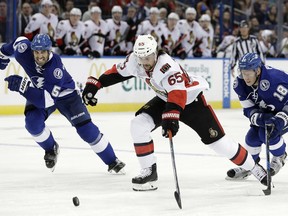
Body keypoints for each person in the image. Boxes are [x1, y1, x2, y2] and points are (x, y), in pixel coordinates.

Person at [81, 34, 268, 191]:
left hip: (190, 101)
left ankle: (254, 167)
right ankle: (149, 172)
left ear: (156, 53)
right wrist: (95, 84)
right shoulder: (136, 61)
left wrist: (170, 119)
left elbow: (177, 94)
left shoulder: (167, 66)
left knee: (220, 145)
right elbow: (116, 73)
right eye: (141, 58)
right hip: (165, 99)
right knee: (138, 124)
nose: (144, 63)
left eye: (148, 58)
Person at [0, 34, 125, 173]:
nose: (39, 56)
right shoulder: (23, 50)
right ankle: (51, 149)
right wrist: (2, 54)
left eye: (43, 52)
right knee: (32, 123)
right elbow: (17, 41)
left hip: (66, 95)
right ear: (32, 50)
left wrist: (22, 87)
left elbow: (45, 101)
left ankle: (112, 161)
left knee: (87, 131)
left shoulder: (55, 68)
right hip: (42, 92)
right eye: (36, 52)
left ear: (49, 51)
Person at [226, 53, 287, 181]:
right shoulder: (240, 84)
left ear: (258, 70)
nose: (245, 77)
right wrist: (260, 118)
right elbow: (248, 109)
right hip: (268, 112)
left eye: (248, 73)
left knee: (267, 134)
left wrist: (280, 119)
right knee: (252, 137)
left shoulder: (274, 79)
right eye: (243, 72)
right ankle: (249, 167)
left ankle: (280, 156)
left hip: (284, 113)